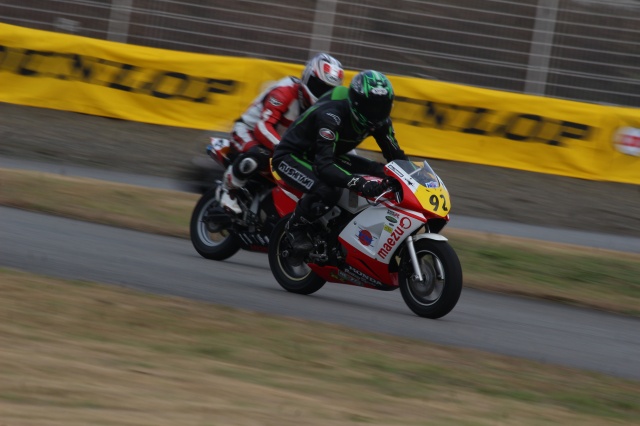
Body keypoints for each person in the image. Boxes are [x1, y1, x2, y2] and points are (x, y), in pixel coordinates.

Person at [272, 70, 409, 251]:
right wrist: (359, 183)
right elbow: (324, 167)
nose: (376, 113)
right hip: (291, 156)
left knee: (380, 171)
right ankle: (295, 227)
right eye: (371, 106)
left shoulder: (381, 122)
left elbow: (396, 157)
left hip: (325, 155)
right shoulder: (331, 116)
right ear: (357, 102)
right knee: (328, 189)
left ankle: (349, 225)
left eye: (382, 107)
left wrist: (415, 179)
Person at [218, 53, 344, 214]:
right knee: (258, 155)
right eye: (318, 85)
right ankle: (229, 189)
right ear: (307, 77)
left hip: (283, 144)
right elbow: (263, 127)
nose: (322, 91)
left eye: (328, 89)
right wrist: (285, 149)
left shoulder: (328, 109)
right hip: (248, 131)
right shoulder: (285, 90)